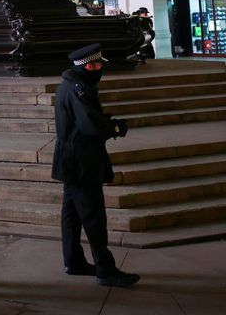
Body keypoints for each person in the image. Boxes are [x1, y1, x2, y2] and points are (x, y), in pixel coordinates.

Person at [52, 43, 140, 288]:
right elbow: (90, 125)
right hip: (81, 160)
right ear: (89, 65)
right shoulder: (80, 88)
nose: (101, 68)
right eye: (99, 64)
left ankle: (74, 261)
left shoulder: (68, 86)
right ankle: (106, 270)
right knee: (93, 216)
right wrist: (113, 128)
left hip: (69, 157)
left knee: (71, 213)